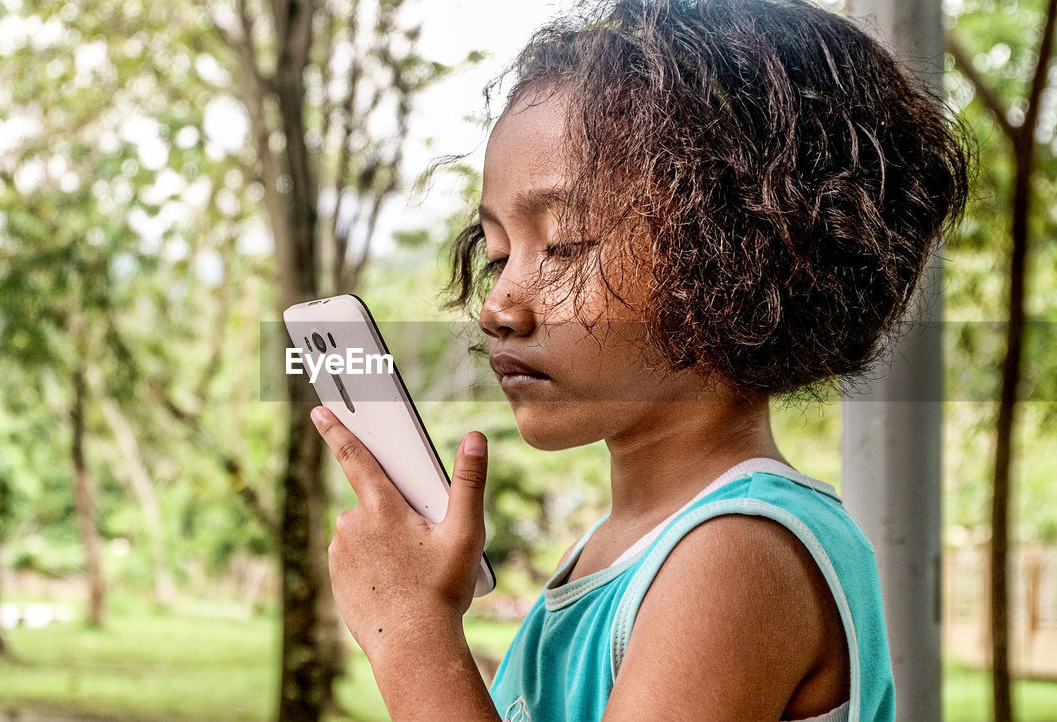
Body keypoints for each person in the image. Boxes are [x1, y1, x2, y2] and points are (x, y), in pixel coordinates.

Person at [308, 0, 973, 719]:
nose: (499, 304)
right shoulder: (622, 550)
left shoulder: (736, 555)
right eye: (498, 253)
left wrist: (408, 631)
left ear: (735, 259)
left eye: (562, 245)